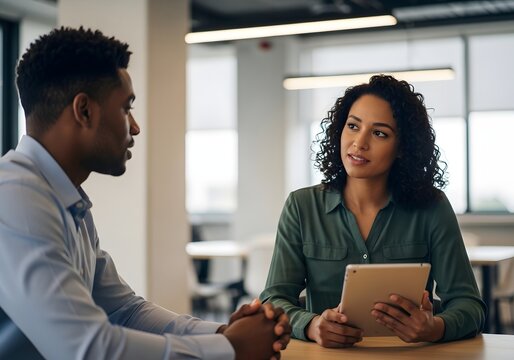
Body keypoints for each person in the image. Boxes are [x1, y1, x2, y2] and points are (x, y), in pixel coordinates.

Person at [0, 27, 290, 359]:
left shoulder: (66, 201)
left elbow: (125, 311)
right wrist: (231, 348)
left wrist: (224, 332)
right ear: (84, 111)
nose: (134, 126)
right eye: (126, 108)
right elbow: (87, 348)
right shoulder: (16, 198)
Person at [260, 75, 486, 347]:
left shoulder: (432, 207)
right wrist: (312, 325)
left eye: (380, 133)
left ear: (403, 148)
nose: (359, 143)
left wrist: (435, 327)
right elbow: (273, 300)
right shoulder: (302, 206)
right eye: (353, 126)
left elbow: (470, 307)